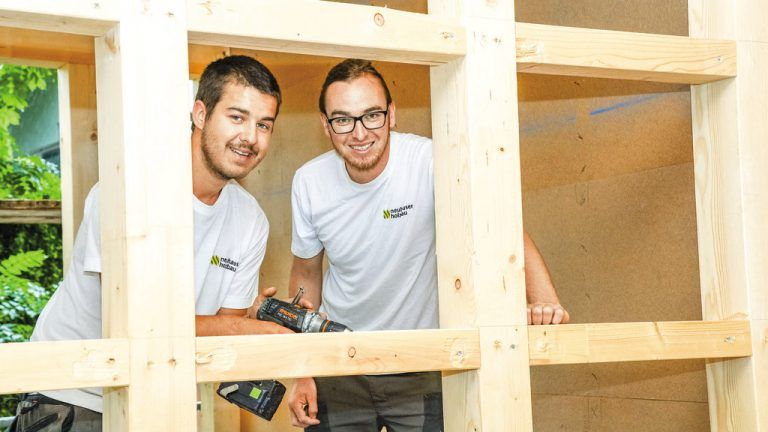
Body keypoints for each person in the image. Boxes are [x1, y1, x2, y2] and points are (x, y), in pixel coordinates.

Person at [12, 55, 296, 432]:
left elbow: (224, 327)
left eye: (264, 125)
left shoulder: (250, 220)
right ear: (200, 113)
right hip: (71, 391)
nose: (251, 137)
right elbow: (134, 320)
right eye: (237, 117)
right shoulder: (131, 189)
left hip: (161, 392)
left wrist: (253, 320)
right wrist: (252, 330)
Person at [287, 59, 569, 431]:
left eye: (371, 115)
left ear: (392, 114)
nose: (359, 133)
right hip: (340, 364)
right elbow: (306, 275)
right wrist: (301, 367)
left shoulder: (433, 162)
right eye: (343, 119)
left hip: (421, 364)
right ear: (325, 124)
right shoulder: (309, 182)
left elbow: (505, 226)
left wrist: (544, 299)